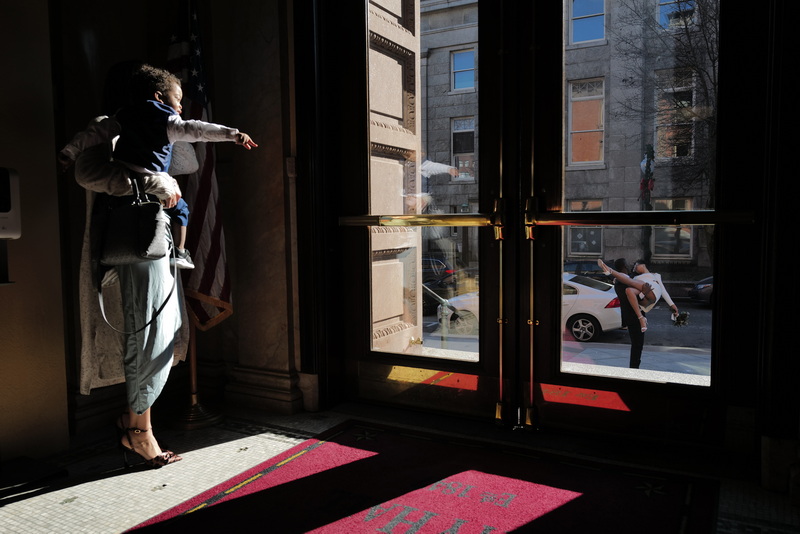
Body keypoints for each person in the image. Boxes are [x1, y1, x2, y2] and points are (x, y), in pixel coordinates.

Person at [64, 64, 257, 469]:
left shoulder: (138, 127)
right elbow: (86, 171)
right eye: (176, 98)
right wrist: (151, 183)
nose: (177, 107)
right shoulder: (111, 126)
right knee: (149, 329)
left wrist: (163, 182)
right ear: (154, 95)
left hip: (155, 234)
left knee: (161, 327)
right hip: (134, 235)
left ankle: (135, 421)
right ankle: (139, 432)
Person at [59, 64, 258, 269]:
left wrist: (70, 152)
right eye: (178, 99)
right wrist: (232, 134)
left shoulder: (122, 117)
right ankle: (180, 251)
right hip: (148, 180)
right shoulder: (168, 122)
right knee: (180, 208)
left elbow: (91, 136)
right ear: (158, 97)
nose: (180, 106)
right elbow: (199, 129)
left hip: (123, 175)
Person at [598, 258, 679, 333]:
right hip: (645, 301)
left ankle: (610, 271)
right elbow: (628, 284)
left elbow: (663, 291)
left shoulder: (655, 275)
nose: (635, 267)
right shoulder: (636, 278)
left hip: (653, 292)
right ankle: (641, 318)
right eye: (634, 266)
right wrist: (642, 294)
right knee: (628, 290)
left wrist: (672, 305)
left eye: (636, 265)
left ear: (643, 265)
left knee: (634, 283)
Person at [612, 258, 646, 369]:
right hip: (635, 316)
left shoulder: (618, 280)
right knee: (637, 344)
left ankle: (635, 366)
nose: (629, 266)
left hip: (629, 316)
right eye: (627, 264)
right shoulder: (624, 282)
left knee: (636, 344)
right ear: (624, 267)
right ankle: (634, 368)